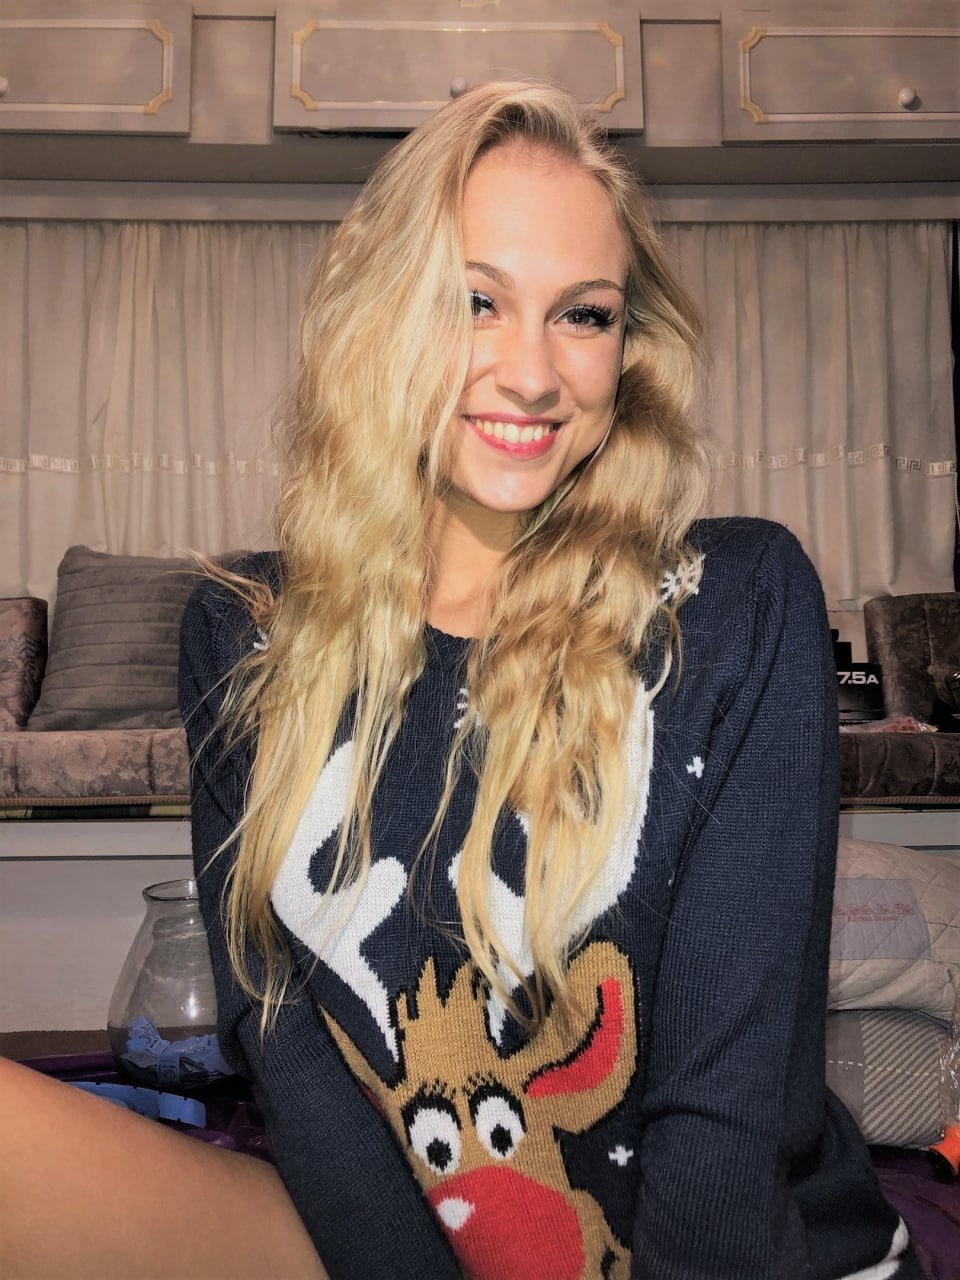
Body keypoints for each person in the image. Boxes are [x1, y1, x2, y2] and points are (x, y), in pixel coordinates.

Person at [0, 81, 922, 1280]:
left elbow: (722, 1145)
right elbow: (285, 1044)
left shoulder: (737, 603)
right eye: (474, 300)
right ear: (385, 314)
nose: (531, 373)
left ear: (628, 348)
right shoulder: (241, 633)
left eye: (582, 314)